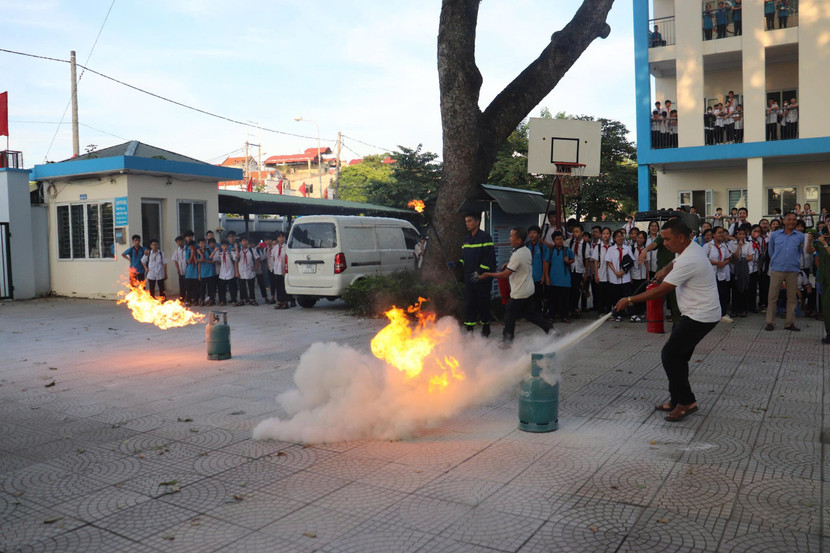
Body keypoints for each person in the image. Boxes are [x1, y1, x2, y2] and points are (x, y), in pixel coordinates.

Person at [615, 218, 720, 422]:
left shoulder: (691, 259)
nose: (664, 243)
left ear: (681, 237)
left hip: (701, 316)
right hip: (696, 313)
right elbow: (675, 262)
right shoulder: (688, 249)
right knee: (678, 357)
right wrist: (665, 269)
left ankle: (687, 402)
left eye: (667, 239)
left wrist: (629, 300)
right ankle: (676, 399)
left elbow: (662, 290)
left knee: (670, 355)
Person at [478, 227, 551, 344]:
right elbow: (521, 263)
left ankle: (507, 340)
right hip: (527, 289)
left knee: (509, 315)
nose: (509, 239)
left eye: (511, 236)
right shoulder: (525, 250)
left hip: (520, 292)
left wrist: (488, 274)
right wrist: (509, 263)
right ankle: (551, 330)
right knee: (531, 315)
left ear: (519, 240)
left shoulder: (518, 254)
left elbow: (506, 274)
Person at [765, 212, 804, 331]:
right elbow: (771, 251)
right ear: (784, 221)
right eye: (789, 219)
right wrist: (776, 260)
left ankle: (789, 323)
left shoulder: (800, 236)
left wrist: (794, 262)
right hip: (777, 269)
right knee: (773, 297)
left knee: (792, 297)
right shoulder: (775, 235)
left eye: (794, 219)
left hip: (792, 270)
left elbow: (799, 251)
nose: (791, 221)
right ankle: (770, 322)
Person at [459, 212, 496, 336]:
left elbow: (489, 258)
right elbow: (464, 258)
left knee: (483, 304)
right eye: (466, 221)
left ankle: (486, 328)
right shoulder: (466, 239)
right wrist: (457, 264)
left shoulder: (485, 238)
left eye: (469, 221)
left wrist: (479, 272)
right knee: (469, 303)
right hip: (469, 278)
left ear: (477, 222)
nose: (467, 224)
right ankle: (469, 330)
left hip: (482, 279)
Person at [704, 227, 733, 322]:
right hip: (710, 274)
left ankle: (722, 314)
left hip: (721, 274)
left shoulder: (724, 246)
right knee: (711, 295)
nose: (721, 234)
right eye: (719, 233)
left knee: (722, 294)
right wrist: (717, 263)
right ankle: (710, 314)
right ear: (713, 234)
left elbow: (728, 258)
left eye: (722, 233)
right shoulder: (708, 246)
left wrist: (724, 263)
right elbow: (703, 259)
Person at [543, 231, 573, 323]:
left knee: (565, 300)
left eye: (561, 239)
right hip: (553, 279)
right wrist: (546, 276)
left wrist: (568, 261)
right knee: (552, 299)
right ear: (553, 241)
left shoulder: (567, 250)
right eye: (557, 239)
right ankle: (551, 316)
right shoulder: (550, 250)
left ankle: (565, 316)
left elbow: (572, 260)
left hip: (565, 279)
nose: (560, 241)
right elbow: (547, 263)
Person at [606, 229, 634, 323]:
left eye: (621, 236)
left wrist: (623, 272)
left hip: (625, 277)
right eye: (617, 236)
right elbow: (609, 262)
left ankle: (631, 314)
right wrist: (616, 272)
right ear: (614, 239)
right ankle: (617, 314)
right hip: (614, 277)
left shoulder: (627, 248)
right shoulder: (611, 249)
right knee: (616, 296)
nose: (620, 238)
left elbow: (631, 262)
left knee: (628, 296)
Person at [810, 227, 830, 343]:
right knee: (826, 306)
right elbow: (810, 251)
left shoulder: (824, 243)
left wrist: (824, 244)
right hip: (824, 278)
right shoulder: (821, 243)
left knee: (827, 304)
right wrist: (809, 241)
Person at [567, 225, 590, 317]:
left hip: (580, 269)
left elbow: (587, 259)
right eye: (574, 232)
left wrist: (585, 273)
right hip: (571, 268)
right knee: (570, 289)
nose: (575, 234)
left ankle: (575, 306)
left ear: (582, 233)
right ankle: (570, 307)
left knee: (577, 289)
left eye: (577, 232)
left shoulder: (585, 245)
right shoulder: (571, 242)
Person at [527, 225, 547, 315]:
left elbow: (545, 261)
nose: (532, 235)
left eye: (534, 233)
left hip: (538, 276)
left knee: (538, 295)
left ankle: (539, 313)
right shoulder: (526, 246)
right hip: (528, 276)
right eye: (530, 233)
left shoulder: (542, 246)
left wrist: (544, 275)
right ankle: (530, 313)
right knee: (529, 296)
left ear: (539, 235)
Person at [236, 237, 261, 306]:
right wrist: (237, 272)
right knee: (242, 287)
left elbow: (258, 258)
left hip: (250, 271)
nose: (246, 242)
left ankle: (252, 299)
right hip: (241, 271)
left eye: (246, 241)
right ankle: (242, 299)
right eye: (244, 241)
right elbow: (236, 260)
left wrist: (256, 266)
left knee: (251, 286)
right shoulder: (239, 251)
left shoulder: (252, 250)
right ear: (241, 242)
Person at [213, 241, 238, 306]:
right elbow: (213, 258)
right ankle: (222, 300)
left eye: (226, 246)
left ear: (228, 246)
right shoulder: (220, 254)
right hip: (222, 273)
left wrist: (236, 272)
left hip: (230, 272)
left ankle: (233, 300)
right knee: (221, 288)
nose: (225, 247)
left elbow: (236, 259)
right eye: (223, 246)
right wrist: (215, 251)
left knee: (232, 288)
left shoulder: (231, 253)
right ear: (221, 246)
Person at [269, 231, 290, 309]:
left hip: (284, 270)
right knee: (278, 286)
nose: (281, 239)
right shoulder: (275, 248)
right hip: (277, 270)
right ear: (277, 238)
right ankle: (279, 301)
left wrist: (285, 269)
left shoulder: (287, 247)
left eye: (283, 237)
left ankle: (285, 302)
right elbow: (273, 257)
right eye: (280, 237)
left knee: (284, 286)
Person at [171, 235, 187, 302]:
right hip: (181, 270)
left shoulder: (187, 249)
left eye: (180, 241)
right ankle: (182, 298)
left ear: (183, 241)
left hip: (187, 269)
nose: (179, 243)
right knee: (181, 285)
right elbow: (175, 260)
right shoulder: (177, 251)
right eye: (177, 242)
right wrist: (177, 268)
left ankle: (190, 298)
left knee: (188, 284)